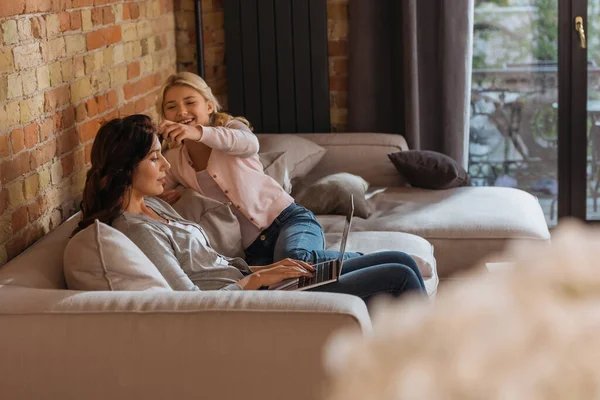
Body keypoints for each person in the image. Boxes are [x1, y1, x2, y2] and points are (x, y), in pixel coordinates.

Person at [73, 114, 425, 302]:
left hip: (261, 280)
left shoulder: (157, 208)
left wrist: (269, 267)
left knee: (403, 260)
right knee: (400, 276)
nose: (165, 165)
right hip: (259, 299)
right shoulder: (134, 230)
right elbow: (187, 300)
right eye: (154, 158)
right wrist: (260, 279)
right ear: (125, 168)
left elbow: (217, 264)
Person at [155, 71, 359, 267]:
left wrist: (196, 132)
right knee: (273, 286)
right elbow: (152, 189)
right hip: (251, 251)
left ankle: (374, 261)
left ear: (209, 106)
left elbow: (250, 144)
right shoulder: (173, 160)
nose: (181, 111)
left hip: (287, 222)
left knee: (296, 260)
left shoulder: (233, 130)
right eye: (171, 107)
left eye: (190, 102)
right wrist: (160, 200)